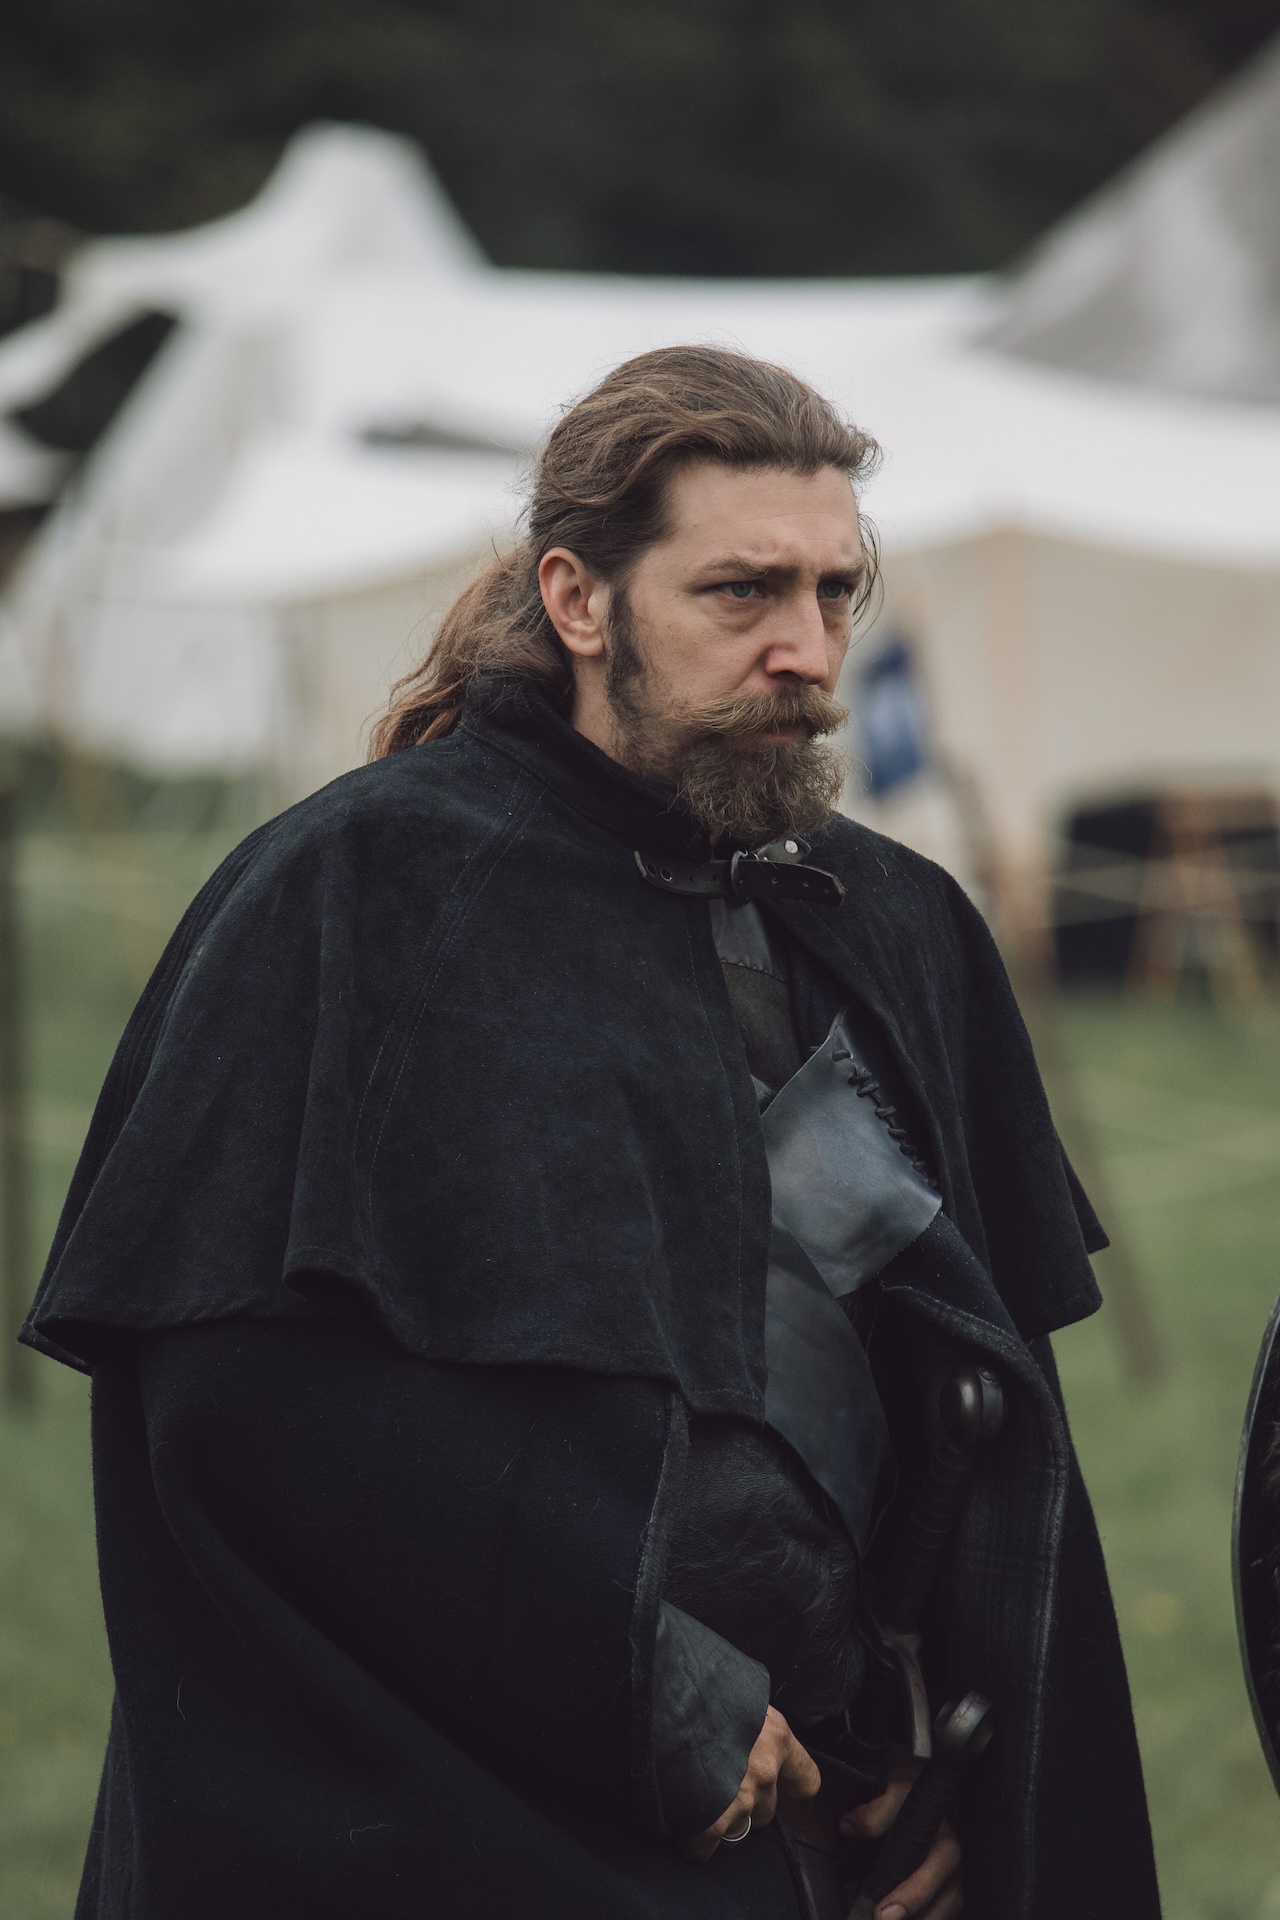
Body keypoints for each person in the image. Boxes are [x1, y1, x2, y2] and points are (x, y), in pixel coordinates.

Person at [24, 346, 1161, 1920]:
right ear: (577, 598)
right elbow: (246, 1413)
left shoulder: (891, 921)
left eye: (835, 592)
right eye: (741, 591)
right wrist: (653, 1690)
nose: (805, 648)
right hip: (459, 1818)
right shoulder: (357, 895)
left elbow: (972, 1420)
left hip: (831, 1826)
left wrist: (951, 1762)